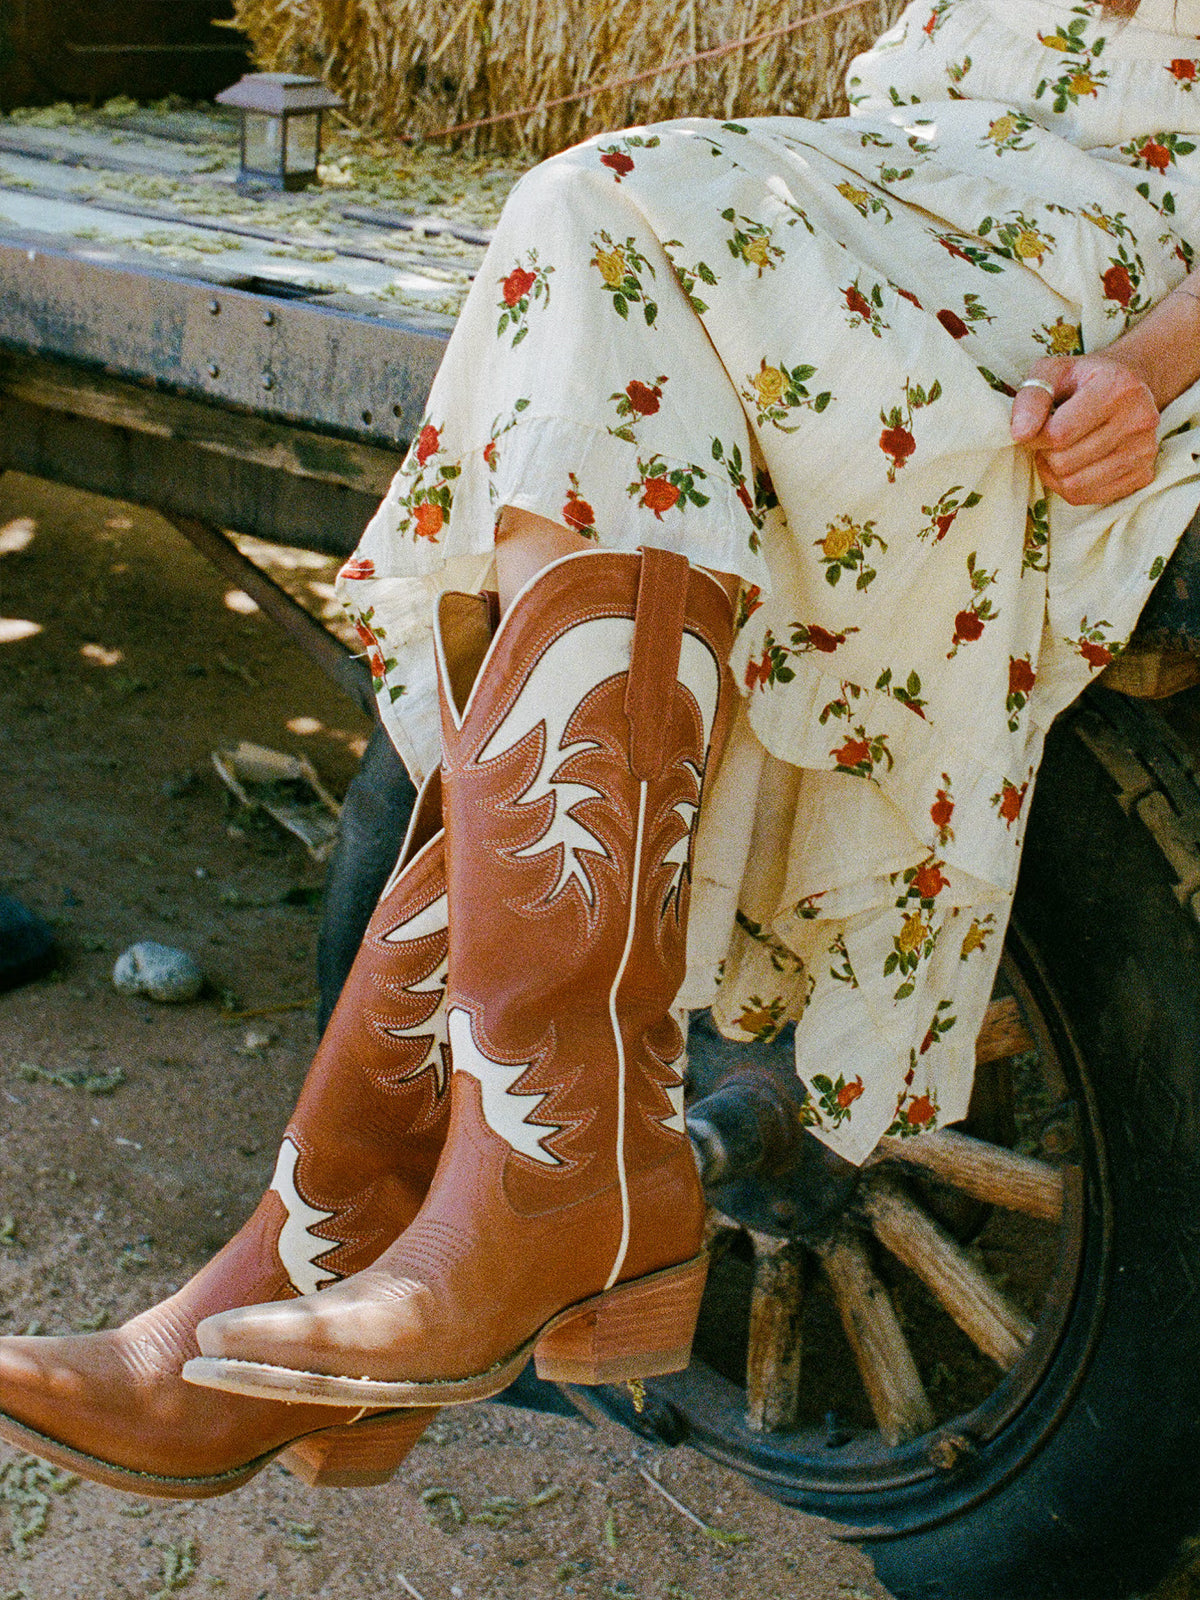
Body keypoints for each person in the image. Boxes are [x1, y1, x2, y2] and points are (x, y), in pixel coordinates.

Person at [3, 0, 1200, 1487]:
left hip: (1087, 244)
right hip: (905, 195)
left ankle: (443, 1203)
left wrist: (1155, 366)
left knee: (590, 210)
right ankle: (439, 1201)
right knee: (617, 452)